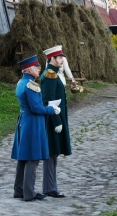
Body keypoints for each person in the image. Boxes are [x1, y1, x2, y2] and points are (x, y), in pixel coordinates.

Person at [11, 55, 61, 202]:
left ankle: (19, 190)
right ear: (29, 69)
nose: (39, 69)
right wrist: (52, 109)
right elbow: (37, 108)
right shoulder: (31, 85)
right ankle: (29, 192)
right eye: (36, 67)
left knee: (23, 157)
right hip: (33, 123)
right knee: (32, 157)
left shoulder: (21, 83)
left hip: (24, 121)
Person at [40, 45, 72, 198]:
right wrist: (56, 120)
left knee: (54, 153)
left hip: (57, 118)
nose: (62, 60)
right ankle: (49, 188)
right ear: (52, 59)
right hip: (53, 120)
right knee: (51, 153)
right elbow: (49, 100)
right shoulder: (49, 75)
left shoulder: (54, 73)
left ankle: (50, 186)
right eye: (59, 57)